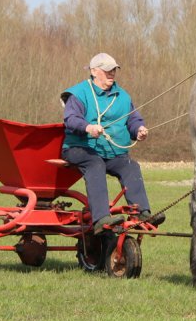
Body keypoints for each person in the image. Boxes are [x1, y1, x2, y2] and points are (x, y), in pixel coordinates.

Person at [61, 52, 164, 234]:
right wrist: (88, 128)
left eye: (114, 70)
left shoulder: (122, 96)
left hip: (112, 152)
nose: (112, 73)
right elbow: (71, 119)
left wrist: (139, 130)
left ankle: (141, 214)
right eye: (107, 70)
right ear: (94, 71)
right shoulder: (79, 93)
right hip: (80, 148)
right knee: (95, 163)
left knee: (131, 166)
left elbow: (133, 120)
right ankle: (101, 219)